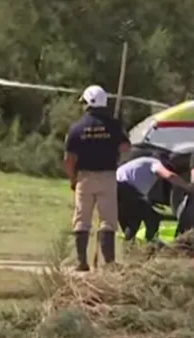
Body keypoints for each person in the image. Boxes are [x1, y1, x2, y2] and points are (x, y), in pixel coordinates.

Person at [64, 85, 130, 271]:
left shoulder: (77, 128)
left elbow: (69, 159)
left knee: (81, 220)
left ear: (87, 103)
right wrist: (112, 149)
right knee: (108, 221)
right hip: (108, 176)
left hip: (84, 177)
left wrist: (72, 179)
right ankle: (108, 263)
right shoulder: (114, 125)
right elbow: (125, 147)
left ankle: (81, 262)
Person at [116, 152, 194, 242]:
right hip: (126, 189)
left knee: (132, 223)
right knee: (153, 219)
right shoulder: (155, 163)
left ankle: (128, 248)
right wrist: (188, 187)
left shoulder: (141, 164)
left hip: (114, 190)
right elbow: (169, 176)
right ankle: (149, 246)